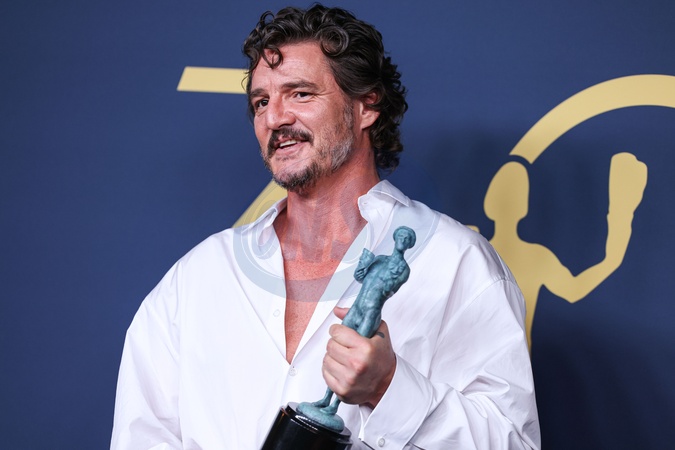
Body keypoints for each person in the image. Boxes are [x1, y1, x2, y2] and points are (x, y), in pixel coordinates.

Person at [111, 4, 540, 449]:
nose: (274, 118)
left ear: (366, 106)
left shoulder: (455, 263)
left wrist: (389, 387)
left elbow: (513, 443)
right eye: (261, 102)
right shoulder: (197, 278)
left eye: (300, 94)